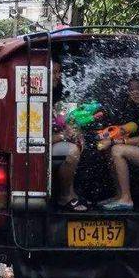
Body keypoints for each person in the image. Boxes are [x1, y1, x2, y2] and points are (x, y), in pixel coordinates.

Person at [98, 77, 139, 211]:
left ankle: (126, 199)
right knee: (110, 150)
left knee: (117, 150)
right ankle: (119, 195)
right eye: (131, 90)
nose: (135, 93)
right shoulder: (136, 107)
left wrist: (113, 141)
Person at [50, 60, 86, 212]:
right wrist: (63, 136)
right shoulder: (37, 98)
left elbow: (64, 123)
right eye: (55, 72)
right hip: (39, 150)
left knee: (77, 147)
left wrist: (77, 134)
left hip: (57, 144)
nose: (59, 76)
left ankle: (72, 194)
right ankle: (65, 196)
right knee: (72, 152)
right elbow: (41, 137)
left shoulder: (57, 97)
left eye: (59, 72)